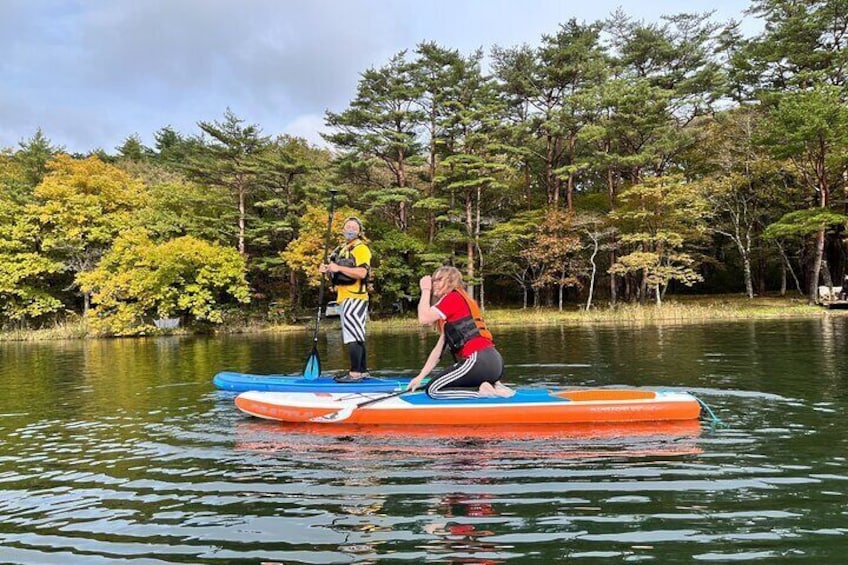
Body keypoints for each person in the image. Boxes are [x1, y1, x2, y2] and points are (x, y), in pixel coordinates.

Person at [407, 266, 513, 398]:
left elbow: (424, 318)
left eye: (439, 279)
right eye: (433, 280)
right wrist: (420, 377)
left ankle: (480, 392)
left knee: (433, 390)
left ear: (451, 281)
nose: (434, 283)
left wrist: (425, 289)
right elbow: (437, 351)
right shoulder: (454, 307)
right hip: (494, 363)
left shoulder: (453, 298)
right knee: (436, 384)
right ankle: (489, 386)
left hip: (478, 360)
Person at [319, 217, 372, 382]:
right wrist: (326, 270)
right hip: (344, 296)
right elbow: (336, 273)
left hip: (355, 296)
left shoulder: (361, 248)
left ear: (359, 231)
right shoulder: (342, 249)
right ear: (342, 229)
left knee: (353, 336)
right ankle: (361, 371)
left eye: (354, 227)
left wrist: (338, 267)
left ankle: (355, 373)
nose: (350, 229)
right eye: (347, 226)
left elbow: (362, 273)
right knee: (355, 334)